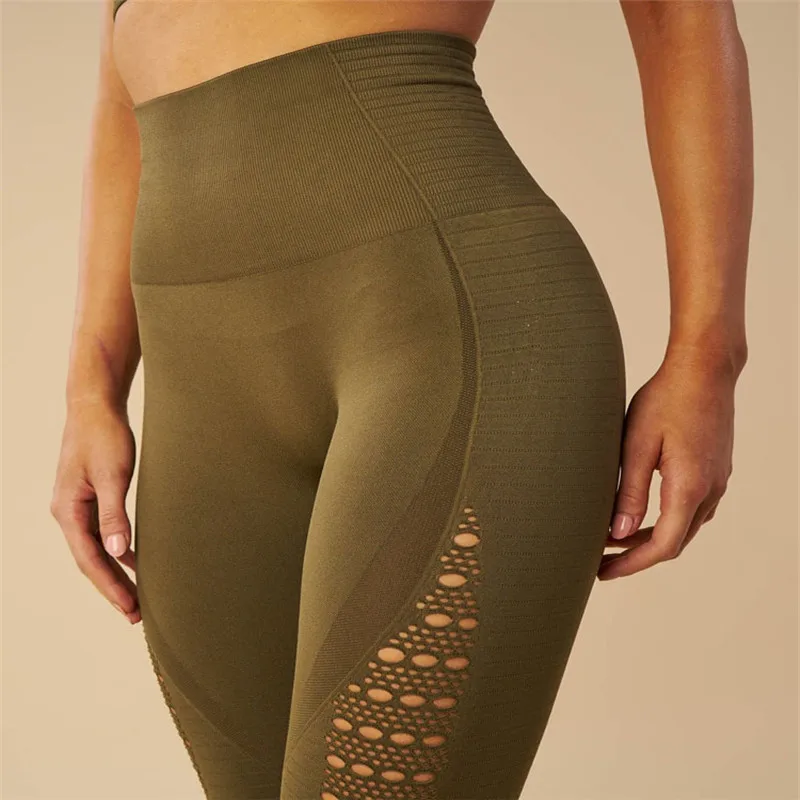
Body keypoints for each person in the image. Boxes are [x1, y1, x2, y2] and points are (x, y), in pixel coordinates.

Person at [50, 1, 752, 797]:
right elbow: (119, 96)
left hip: (445, 332)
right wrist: (90, 385)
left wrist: (708, 353)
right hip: (201, 396)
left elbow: (675, 13)